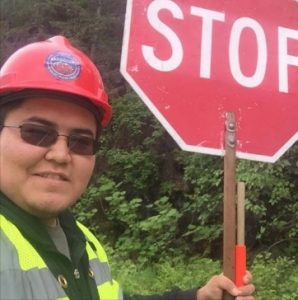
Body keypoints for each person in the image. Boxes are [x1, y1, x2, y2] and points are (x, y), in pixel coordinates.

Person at [0, 36, 255, 300]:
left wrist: (197, 297)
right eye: (36, 132)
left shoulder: (82, 241)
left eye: (81, 142)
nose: (61, 154)